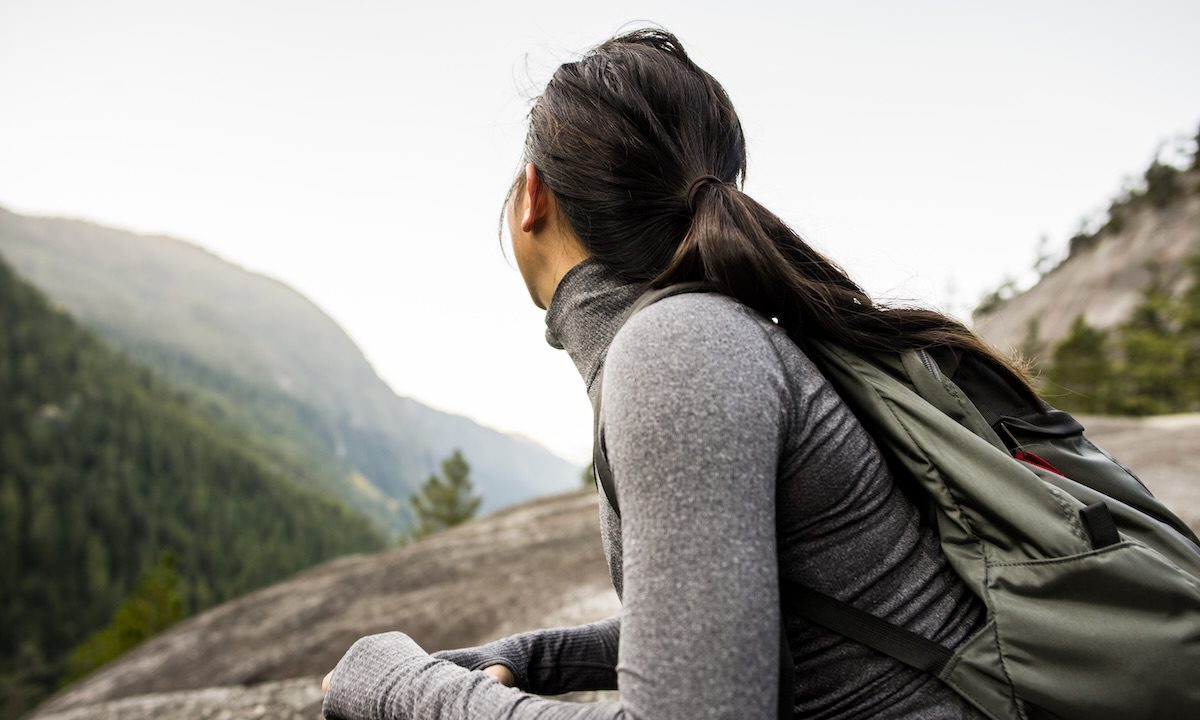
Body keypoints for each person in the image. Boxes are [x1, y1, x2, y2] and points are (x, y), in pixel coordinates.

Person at [320, 27, 1029, 720]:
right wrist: (534, 656)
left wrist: (401, 690)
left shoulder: (680, 348)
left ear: (532, 194)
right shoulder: (709, 335)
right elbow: (729, 620)